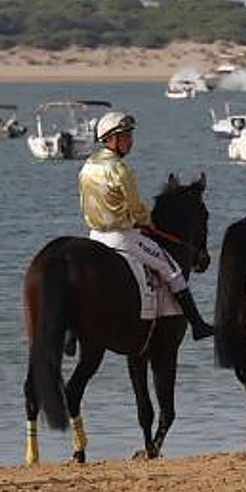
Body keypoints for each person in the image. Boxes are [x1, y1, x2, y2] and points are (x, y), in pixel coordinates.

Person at [78, 110, 214, 340]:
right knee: (172, 270)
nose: (130, 141)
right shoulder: (121, 170)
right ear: (111, 139)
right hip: (121, 237)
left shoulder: (87, 166)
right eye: (125, 136)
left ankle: (73, 335)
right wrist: (147, 222)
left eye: (130, 135)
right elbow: (135, 207)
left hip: (94, 236)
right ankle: (198, 325)